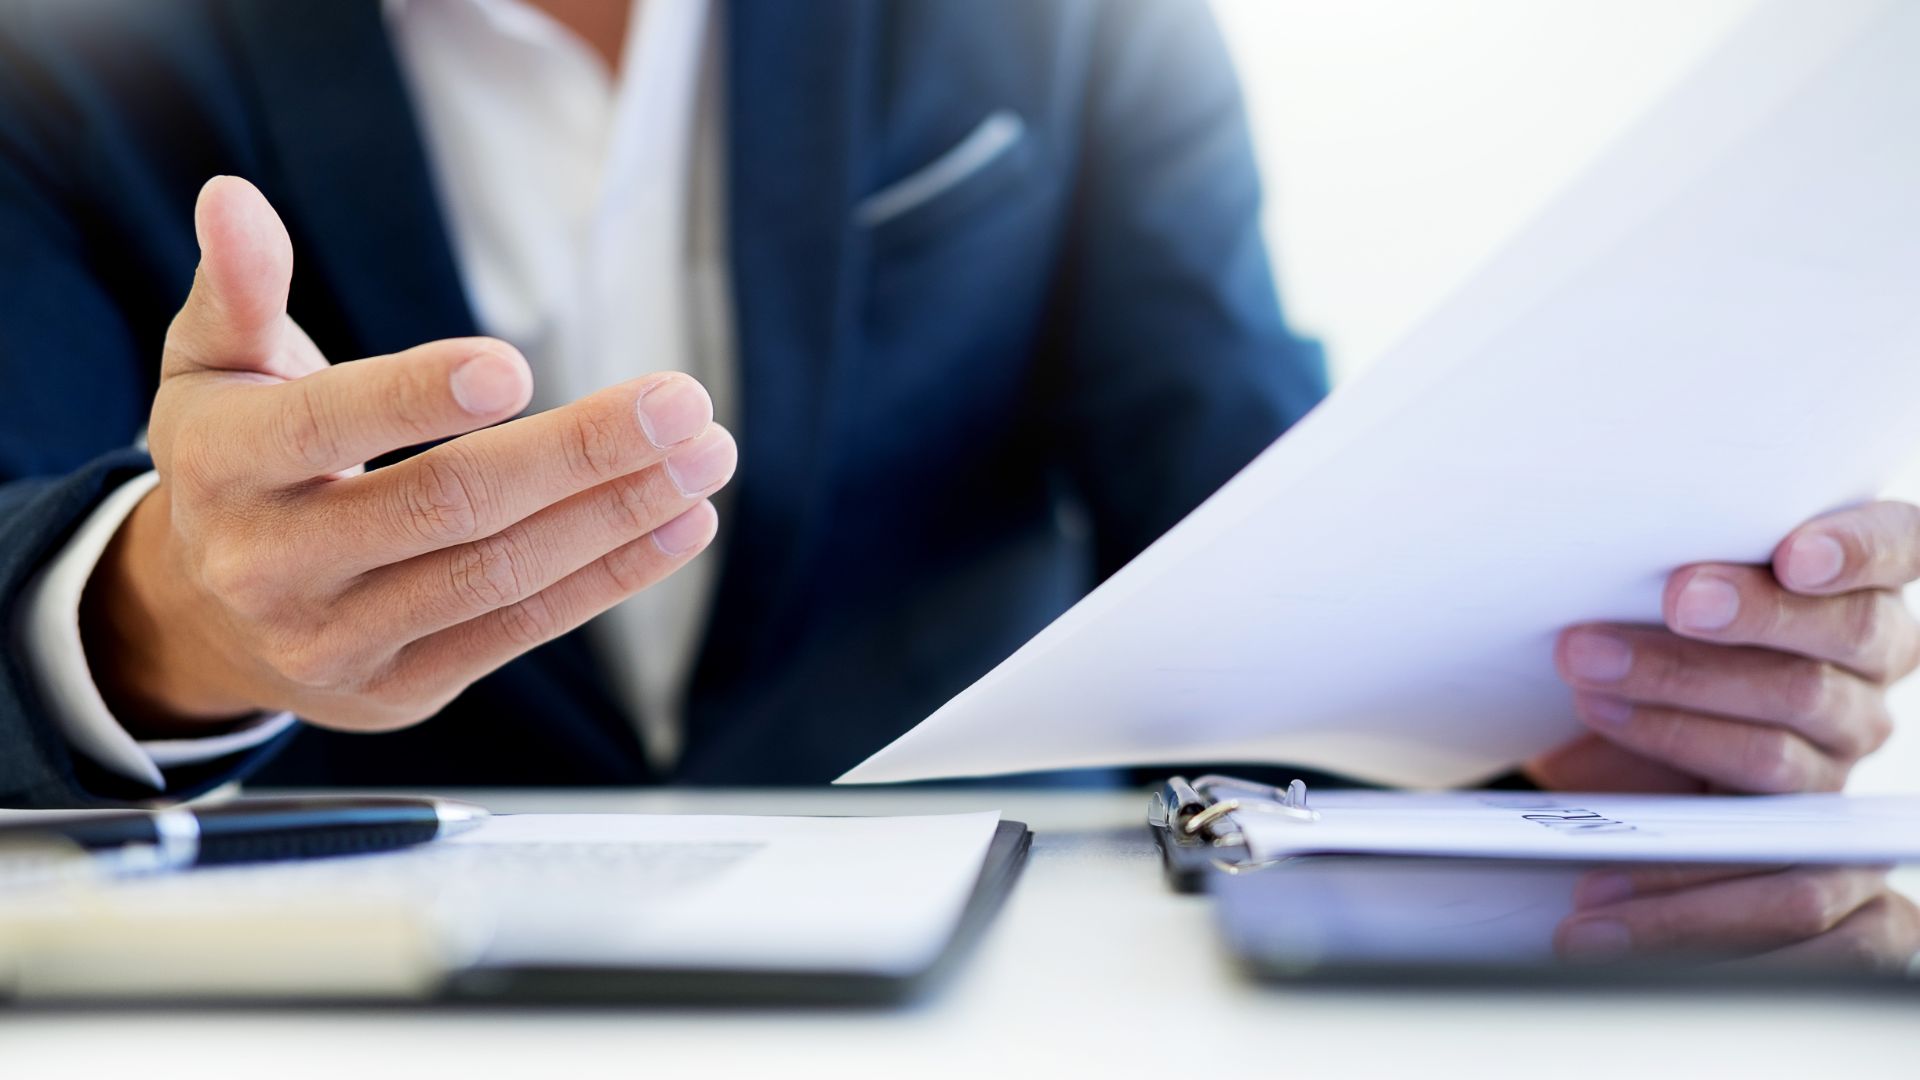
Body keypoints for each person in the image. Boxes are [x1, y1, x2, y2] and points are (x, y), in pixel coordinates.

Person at [0, 0, 1914, 809]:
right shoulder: (67, 49)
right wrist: (169, 616)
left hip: (1007, 988)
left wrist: (1535, 717)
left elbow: (1237, 491)